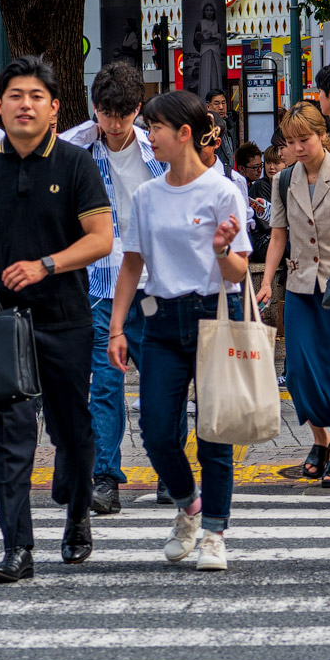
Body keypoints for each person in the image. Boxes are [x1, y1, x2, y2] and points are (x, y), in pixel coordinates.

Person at [0, 55, 113, 583]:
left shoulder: (76, 164)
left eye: (36, 96)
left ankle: (78, 516)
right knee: (9, 438)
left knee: (72, 432)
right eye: (15, 96)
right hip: (4, 326)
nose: (25, 104)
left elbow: (101, 239)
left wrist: (46, 265)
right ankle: (18, 548)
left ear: (54, 108)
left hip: (67, 318)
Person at [106, 90, 254, 571]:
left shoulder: (222, 190)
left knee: (216, 432)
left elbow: (237, 274)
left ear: (184, 133)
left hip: (216, 314)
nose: (150, 137)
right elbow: (131, 264)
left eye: (156, 129)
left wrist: (218, 249)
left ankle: (214, 530)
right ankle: (189, 506)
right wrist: (116, 329)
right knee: (155, 430)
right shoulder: (148, 196)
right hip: (161, 319)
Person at [60, 61, 165, 514]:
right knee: (104, 383)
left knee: (163, 382)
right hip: (100, 284)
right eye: (106, 113)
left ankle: (169, 471)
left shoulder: (156, 150)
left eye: (123, 114)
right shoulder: (74, 148)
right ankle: (106, 476)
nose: (115, 124)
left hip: (157, 285)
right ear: (95, 109)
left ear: (137, 109)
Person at [259, 103, 330, 486]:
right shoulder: (284, 180)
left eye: (305, 139)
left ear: (323, 136)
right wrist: (268, 281)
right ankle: (318, 438)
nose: (298, 148)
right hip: (300, 286)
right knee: (299, 371)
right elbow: (278, 236)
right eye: (291, 142)